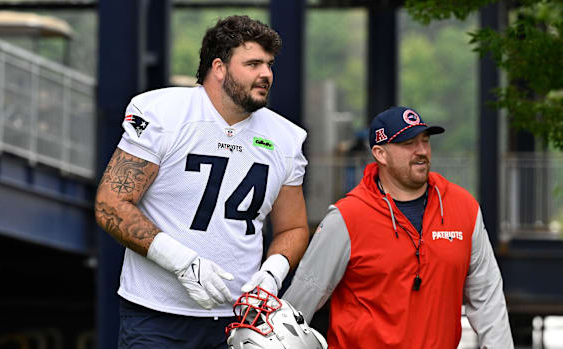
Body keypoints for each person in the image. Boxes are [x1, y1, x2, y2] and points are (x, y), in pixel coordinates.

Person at [94, 15, 310, 349]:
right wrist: (181, 263)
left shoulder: (285, 137)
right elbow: (111, 204)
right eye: (252, 63)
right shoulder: (162, 113)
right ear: (219, 67)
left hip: (239, 322)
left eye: (268, 64)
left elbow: (293, 228)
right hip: (156, 316)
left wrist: (272, 274)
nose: (266, 74)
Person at [283, 106, 514, 348]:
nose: (422, 151)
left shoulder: (464, 209)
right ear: (380, 154)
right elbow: (298, 306)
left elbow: (488, 298)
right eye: (409, 143)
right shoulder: (346, 218)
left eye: (425, 141)